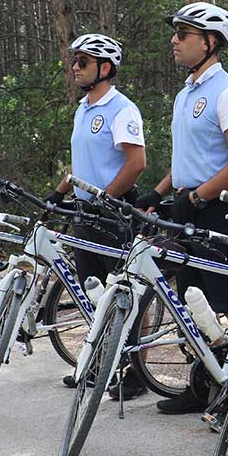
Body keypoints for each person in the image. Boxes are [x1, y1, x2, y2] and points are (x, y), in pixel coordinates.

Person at [134, 2, 228, 415]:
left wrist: (198, 197)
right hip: (189, 204)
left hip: (219, 207)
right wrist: (159, 191)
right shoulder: (186, 94)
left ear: (209, 43)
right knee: (190, 297)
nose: (174, 40)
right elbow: (188, 158)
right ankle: (204, 382)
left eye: (183, 34)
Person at [45, 33, 149, 399]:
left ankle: (136, 371)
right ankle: (102, 362)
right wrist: (60, 192)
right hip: (83, 211)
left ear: (105, 68)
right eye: (75, 61)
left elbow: (137, 163)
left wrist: (107, 198)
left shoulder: (122, 109)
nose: (74, 67)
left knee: (125, 291)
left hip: (113, 212)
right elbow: (81, 162)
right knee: (93, 290)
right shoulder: (84, 108)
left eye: (82, 62)